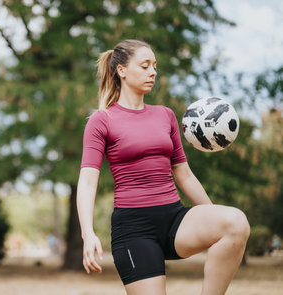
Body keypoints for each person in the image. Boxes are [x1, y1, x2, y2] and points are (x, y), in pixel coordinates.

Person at [77, 39, 250, 295]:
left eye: (155, 66)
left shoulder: (165, 115)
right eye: (145, 66)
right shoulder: (102, 120)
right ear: (122, 71)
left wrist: (210, 216)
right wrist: (87, 233)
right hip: (134, 230)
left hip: (174, 219)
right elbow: (88, 181)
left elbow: (184, 174)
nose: (153, 72)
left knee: (236, 222)